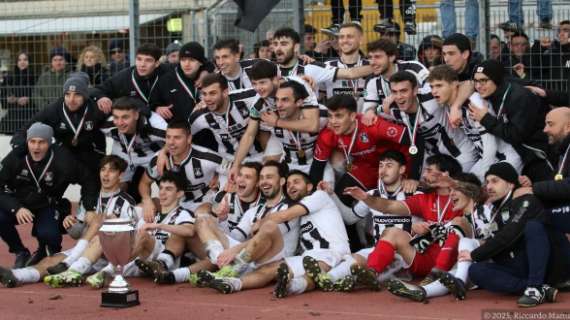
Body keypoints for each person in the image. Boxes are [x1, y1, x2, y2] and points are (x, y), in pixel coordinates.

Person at [0, 155, 136, 288]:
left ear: (120, 176)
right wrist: (70, 223)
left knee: (99, 221)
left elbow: (131, 236)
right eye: (103, 169)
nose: (106, 174)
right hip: (85, 249)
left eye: (111, 170)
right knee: (50, 261)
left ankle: (71, 265)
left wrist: (113, 223)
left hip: (108, 256)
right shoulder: (90, 199)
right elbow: (78, 233)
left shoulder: (126, 202)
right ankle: (16, 275)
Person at [344, 154, 466, 285]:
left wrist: (453, 184)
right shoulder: (424, 198)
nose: (424, 175)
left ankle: (435, 277)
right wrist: (366, 198)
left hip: (454, 262)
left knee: (459, 222)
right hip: (423, 259)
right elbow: (389, 206)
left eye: (429, 170)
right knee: (392, 232)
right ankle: (372, 273)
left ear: (444, 174)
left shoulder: (464, 196)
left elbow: (480, 196)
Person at [0, 123, 98, 268]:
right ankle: (20, 252)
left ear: (50, 142)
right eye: (32, 142)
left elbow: (88, 179)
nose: (36, 147)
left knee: (49, 235)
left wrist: (89, 208)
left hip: (48, 205)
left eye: (41, 142)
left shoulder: (64, 160)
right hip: (21, 204)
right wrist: (16, 208)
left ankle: (45, 251)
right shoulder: (16, 157)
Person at [318, 150, 418, 292]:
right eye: (381, 166)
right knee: (353, 259)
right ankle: (327, 280)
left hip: (403, 255)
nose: (383, 170)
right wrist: (331, 194)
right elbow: (350, 218)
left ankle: (352, 280)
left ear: (402, 169)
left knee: (366, 267)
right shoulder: (371, 194)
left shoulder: (416, 194)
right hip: (378, 250)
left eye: (389, 166)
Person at [466, 163, 559, 307]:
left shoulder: (525, 200)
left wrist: (474, 254)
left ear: (510, 184)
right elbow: (498, 241)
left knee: (533, 227)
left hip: (548, 266)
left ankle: (535, 287)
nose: (489, 187)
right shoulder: (497, 210)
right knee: (476, 270)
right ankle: (537, 288)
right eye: (487, 182)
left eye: (495, 181)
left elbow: (509, 234)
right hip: (520, 268)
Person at [385, 173, 489, 302]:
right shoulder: (453, 224)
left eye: (456, 190)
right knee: (449, 277)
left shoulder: (486, 211)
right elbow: (419, 244)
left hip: (490, 266)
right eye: (450, 190)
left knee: (465, 241)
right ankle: (422, 291)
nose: (451, 194)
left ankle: (441, 274)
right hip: (469, 270)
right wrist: (416, 230)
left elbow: (497, 241)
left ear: (470, 191)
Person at [427, 64, 523, 179]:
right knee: (462, 185)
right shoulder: (448, 106)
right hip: (485, 158)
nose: (434, 91)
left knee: (474, 188)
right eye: (432, 87)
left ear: (454, 84)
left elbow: (490, 144)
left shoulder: (474, 102)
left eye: (439, 86)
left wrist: (485, 174)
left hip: (505, 157)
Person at [469, 59, 551, 182]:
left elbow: (516, 135)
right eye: (476, 81)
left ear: (496, 79)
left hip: (537, 156)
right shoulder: (495, 92)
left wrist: (485, 119)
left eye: (483, 81)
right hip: (517, 153)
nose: (478, 86)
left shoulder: (520, 97)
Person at [12, 73, 109, 177]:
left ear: (85, 96)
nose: (71, 99)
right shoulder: (54, 109)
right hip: (64, 154)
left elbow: (118, 116)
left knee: (94, 184)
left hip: (91, 155)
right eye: (67, 94)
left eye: (77, 94)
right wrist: (18, 141)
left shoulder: (96, 107)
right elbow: (29, 126)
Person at [139, 120, 223, 220]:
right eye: (168, 137)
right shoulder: (158, 161)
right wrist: (147, 200)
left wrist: (220, 179)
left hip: (201, 202)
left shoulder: (207, 158)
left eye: (177, 138)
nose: (171, 142)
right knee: (139, 210)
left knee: (201, 216)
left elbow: (235, 171)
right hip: (171, 204)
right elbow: (144, 183)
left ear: (189, 139)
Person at [101, 96, 166, 201]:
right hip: (124, 153)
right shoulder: (108, 124)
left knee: (168, 184)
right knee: (115, 186)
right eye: (116, 117)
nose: (120, 122)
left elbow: (176, 138)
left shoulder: (154, 124)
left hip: (151, 155)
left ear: (136, 115)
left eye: (125, 117)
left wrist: (163, 153)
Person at [362, 39, 430, 125]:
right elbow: (367, 107)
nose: (372, 62)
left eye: (377, 57)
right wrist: (370, 112)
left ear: (391, 57)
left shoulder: (413, 67)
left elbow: (433, 87)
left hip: (425, 121)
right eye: (370, 57)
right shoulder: (371, 80)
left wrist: (396, 96)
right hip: (398, 129)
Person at [271, 27, 373, 84]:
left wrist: (381, 65)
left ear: (296, 47)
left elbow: (350, 73)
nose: (278, 49)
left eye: (284, 44)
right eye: (275, 44)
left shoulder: (311, 68)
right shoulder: (267, 68)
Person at [92, 43, 168, 114]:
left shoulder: (168, 73)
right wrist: (101, 97)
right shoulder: (123, 77)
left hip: (163, 119)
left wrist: (157, 107)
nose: (142, 64)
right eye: (139, 59)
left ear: (157, 63)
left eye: (148, 60)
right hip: (134, 120)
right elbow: (97, 90)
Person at [153, 42, 208, 122]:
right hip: (177, 130)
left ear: (201, 62)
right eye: (183, 60)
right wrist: (157, 108)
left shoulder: (209, 77)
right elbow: (153, 103)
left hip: (205, 129)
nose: (187, 64)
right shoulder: (166, 80)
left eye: (192, 60)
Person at [322, 23, 369, 109]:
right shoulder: (327, 66)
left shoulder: (371, 66)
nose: (344, 40)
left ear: (360, 40)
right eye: (341, 37)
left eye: (350, 37)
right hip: (337, 120)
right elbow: (318, 97)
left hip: (365, 121)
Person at [0, 51, 36, 134]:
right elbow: (3, 97)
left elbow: (39, 95)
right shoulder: (9, 77)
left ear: (29, 62)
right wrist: (12, 99)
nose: (22, 62)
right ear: (16, 62)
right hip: (14, 113)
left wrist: (29, 99)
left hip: (30, 112)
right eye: (19, 60)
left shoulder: (35, 76)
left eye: (25, 59)